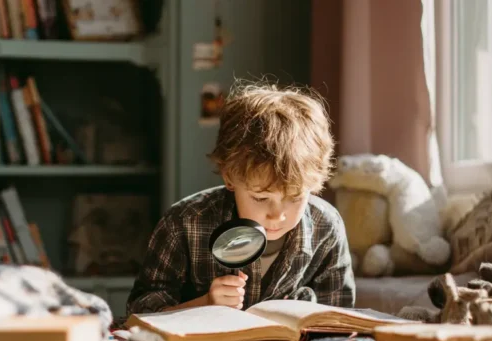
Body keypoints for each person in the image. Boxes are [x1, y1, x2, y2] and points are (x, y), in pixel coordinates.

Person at [126, 81, 355, 314]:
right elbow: (139, 310)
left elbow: (339, 315)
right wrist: (204, 304)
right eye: (260, 198)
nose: (277, 216)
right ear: (229, 177)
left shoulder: (326, 226)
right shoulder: (184, 222)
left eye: (295, 197)